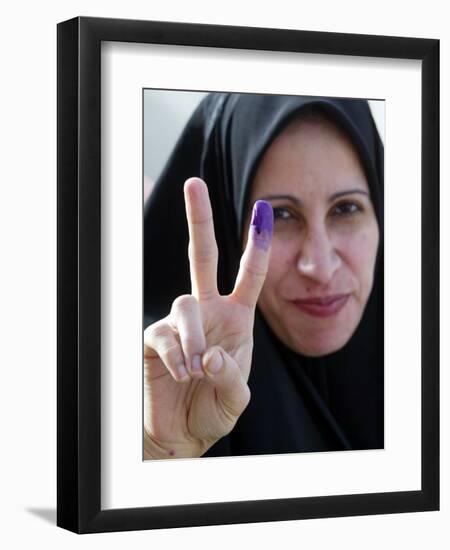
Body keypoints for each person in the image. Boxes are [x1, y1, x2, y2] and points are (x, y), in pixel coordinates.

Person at [143, 93, 384, 459]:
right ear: (227, 225)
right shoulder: (158, 384)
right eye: (281, 216)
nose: (319, 267)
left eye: (346, 208)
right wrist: (161, 451)